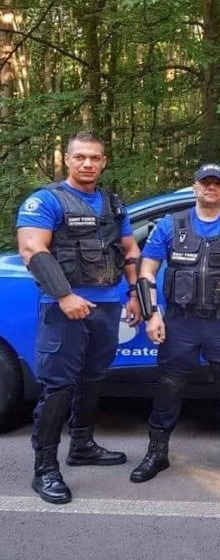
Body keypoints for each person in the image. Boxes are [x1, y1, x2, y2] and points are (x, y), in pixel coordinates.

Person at [16, 131, 142, 505]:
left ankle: (83, 445)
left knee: (93, 378)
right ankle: (45, 469)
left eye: (95, 158)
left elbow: (130, 249)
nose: (88, 163)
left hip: (107, 307)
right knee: (59, 387)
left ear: (103, 162)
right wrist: (64, 295)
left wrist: (135, 294)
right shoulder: (45, 201)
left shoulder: (113, 204)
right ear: (68, 160)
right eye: (81, 157)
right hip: (63, 309)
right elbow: (32, 250)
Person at [130, 163, 220, 484]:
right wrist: (152, 315)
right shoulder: (171, 225)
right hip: (180, 322)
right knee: (168, 386)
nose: (211, 187)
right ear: (194, 187)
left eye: (217, 183)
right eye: (205, 182)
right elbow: (147, 271)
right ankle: (157, 451)